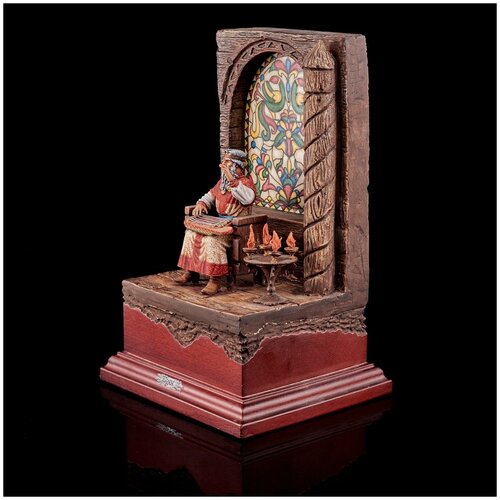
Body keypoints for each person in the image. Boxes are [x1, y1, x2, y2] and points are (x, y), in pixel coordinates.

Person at [175, 148, 256, 295]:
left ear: (237, 166)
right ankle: (191, 272)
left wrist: (231, 179)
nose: (223, 165)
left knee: (212, 241)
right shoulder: (222, 183)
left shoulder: (245, 183)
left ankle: (215, 279)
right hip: (219, 223)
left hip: (235, 227)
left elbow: (247, 198)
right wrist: (202, 203)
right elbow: (209, 196)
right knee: (191, 234)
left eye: (227, 162)